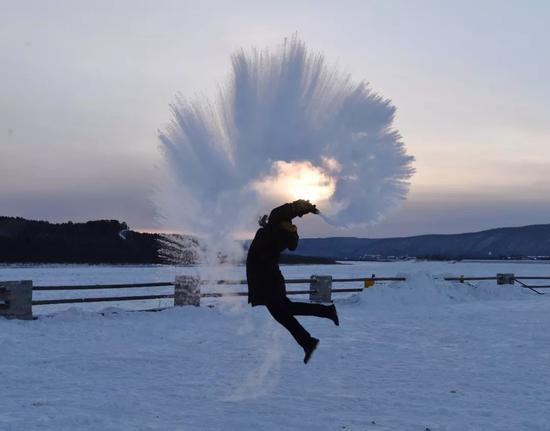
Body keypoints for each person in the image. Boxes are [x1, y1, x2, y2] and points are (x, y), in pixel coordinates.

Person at [246, 199, 339, 364]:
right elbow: (279, 226)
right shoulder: (280, 234)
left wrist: (302, 206)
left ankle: (309, 339)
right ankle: (317, 328)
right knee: (286, 310)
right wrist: (268, 224)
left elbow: (287, 211)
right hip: (269, 279)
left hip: (267, 281)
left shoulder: (275, 224)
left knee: (283, 314)